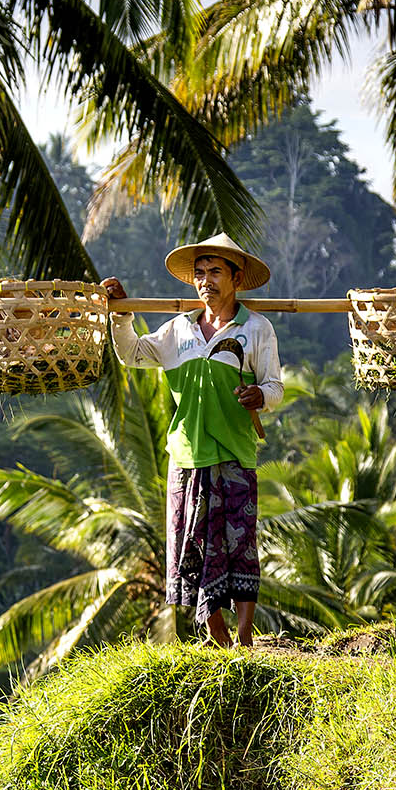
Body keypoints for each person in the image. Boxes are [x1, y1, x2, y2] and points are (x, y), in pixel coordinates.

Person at [101, 233, 282, 647]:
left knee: (239, 541)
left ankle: (244, 636)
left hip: (235, 452)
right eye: (200, 273)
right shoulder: (177, 331)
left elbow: (274, 386)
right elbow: (131, 354)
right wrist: (120, 316)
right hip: (186, 455)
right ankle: (216, 633)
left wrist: (260, 396)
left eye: (215, 272)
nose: (206, 281)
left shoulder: (255, 328)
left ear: (236, 278)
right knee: (193, 544)